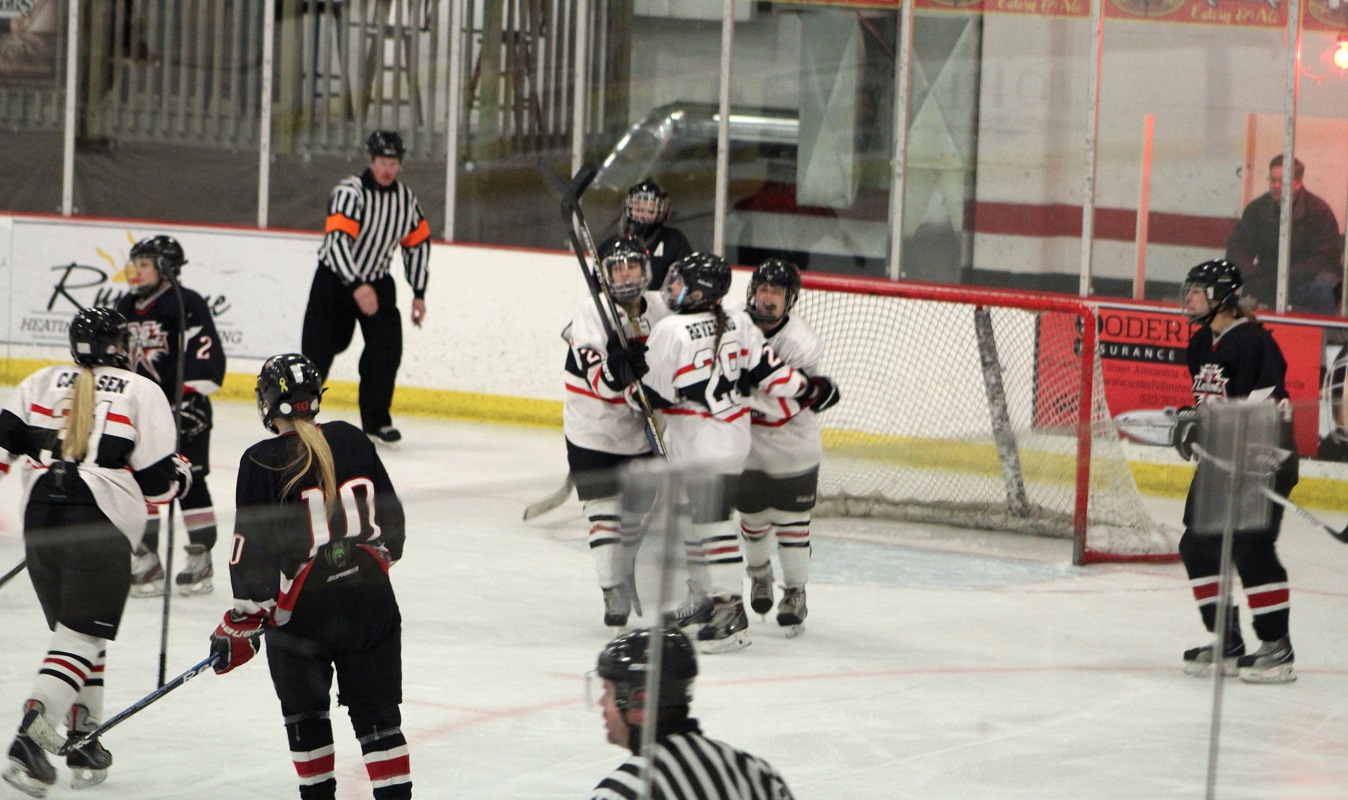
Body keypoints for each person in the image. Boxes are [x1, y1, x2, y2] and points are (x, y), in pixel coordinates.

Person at [0, 308, 185, 797]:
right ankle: (29, 742)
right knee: (81, 636)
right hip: (98, 521)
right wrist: (183, 474)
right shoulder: (140, 389)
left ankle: (85, 737)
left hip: (40, 517)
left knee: (78, 634)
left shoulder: (38, 381)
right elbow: (159, 485)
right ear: (119, 347)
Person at [209, 353, 411, 800]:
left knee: (306, 718)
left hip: (302, 616)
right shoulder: (352, 438)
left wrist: (241, 622)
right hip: (372, 602)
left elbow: (252, 557)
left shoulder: (261, 460)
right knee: (379, 720)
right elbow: (392, 532)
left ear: (267, 402)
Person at [632, 253, 837, 653]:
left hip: (703, 444)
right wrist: (811, 389)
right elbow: (772, 373)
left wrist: (626, 372)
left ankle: (730, 612)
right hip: (732, 439)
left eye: (680, 283)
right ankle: (704, 598)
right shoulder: (738, 322)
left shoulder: (671, 329)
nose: (673, 289)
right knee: (696, 523)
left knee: (712, 525)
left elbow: (646, 396)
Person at [1174, 259, 1299, 684]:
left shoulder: (1254, 343)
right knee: (1197, 546)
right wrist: (1193, 422)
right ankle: (1227, 640)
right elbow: (1213, 405)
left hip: (1264, 456)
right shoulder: (1199, 344)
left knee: (1249, 547)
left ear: (1221, 296)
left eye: (1197, 290)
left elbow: (1265, 406)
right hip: (1220, 462)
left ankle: (1277, 647)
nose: (1189, 298)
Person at [564, 237, 673, 627]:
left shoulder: (661, 308)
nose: (625, 275)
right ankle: (612, 588)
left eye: (632, 266)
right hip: (592, 431)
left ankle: (624, 572)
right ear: (604, 274)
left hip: (640, 434)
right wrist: (618, 370)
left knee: (634, 519)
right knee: (605, 514)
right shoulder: (591, 312)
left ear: (645, 270)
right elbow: (599, 382)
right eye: (617, 268)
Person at [302, 129, 431, 445]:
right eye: (382, 162)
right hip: (335, 281)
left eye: (393, 163)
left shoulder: (405, 200)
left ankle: (377, 421)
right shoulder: (350, 192)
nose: (388, 169)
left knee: (386, 350)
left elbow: (417, 244)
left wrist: (418, 293)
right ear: (371, 160)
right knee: (318, 351)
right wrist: (356, 285)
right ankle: (300, 417)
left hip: (377, 280)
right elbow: (336, 243)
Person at [116, 234, 227, 597]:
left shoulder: (186, 302)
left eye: (145, 264)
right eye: (136, 263)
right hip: (141, 413)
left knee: (190, 482)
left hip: (183, 409)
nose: (137, 271)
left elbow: (206, 353)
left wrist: (189, 398)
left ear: (166, 268)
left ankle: (200, 558)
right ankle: (146, 558)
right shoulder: (126, 305)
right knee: (140, 482)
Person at [736, 259, 836, 635]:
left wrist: (741, 394)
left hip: (794, 445)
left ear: (789, 298)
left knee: (792, 522)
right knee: (752, 519)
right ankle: (759, 575)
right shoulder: (734, 324)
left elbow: (788, 405)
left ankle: (795, 592)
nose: (768, 298)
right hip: (748, 445)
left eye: (776, 292)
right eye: (763, 289)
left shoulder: (802, 342)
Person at [589, 627, 796, 799]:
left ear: (641, 700)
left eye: (607, 691)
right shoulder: (757, 775)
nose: (601, 702)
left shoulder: (619, 793)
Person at [1225, 155, 1344, 315]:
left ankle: (1323, 329)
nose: (1276, 186)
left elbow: (1327, 259)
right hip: (1267, 280)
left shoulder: (1319, 212)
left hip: (1305, 282)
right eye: (1272, 180)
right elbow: (1237, 248)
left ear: (1298, 182)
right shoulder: (1256, 209)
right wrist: (1251, 274)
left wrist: (1288, 275)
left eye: (1282, 181)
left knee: (1326, 285)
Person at [600, 180, 692, 290]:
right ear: (629, 209)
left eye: (650, 211)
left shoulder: (674, 240)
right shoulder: (611, 246)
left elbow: (686, 279)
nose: (643, 216)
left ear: (661, 212)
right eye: (638, 209)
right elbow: (599, 286)